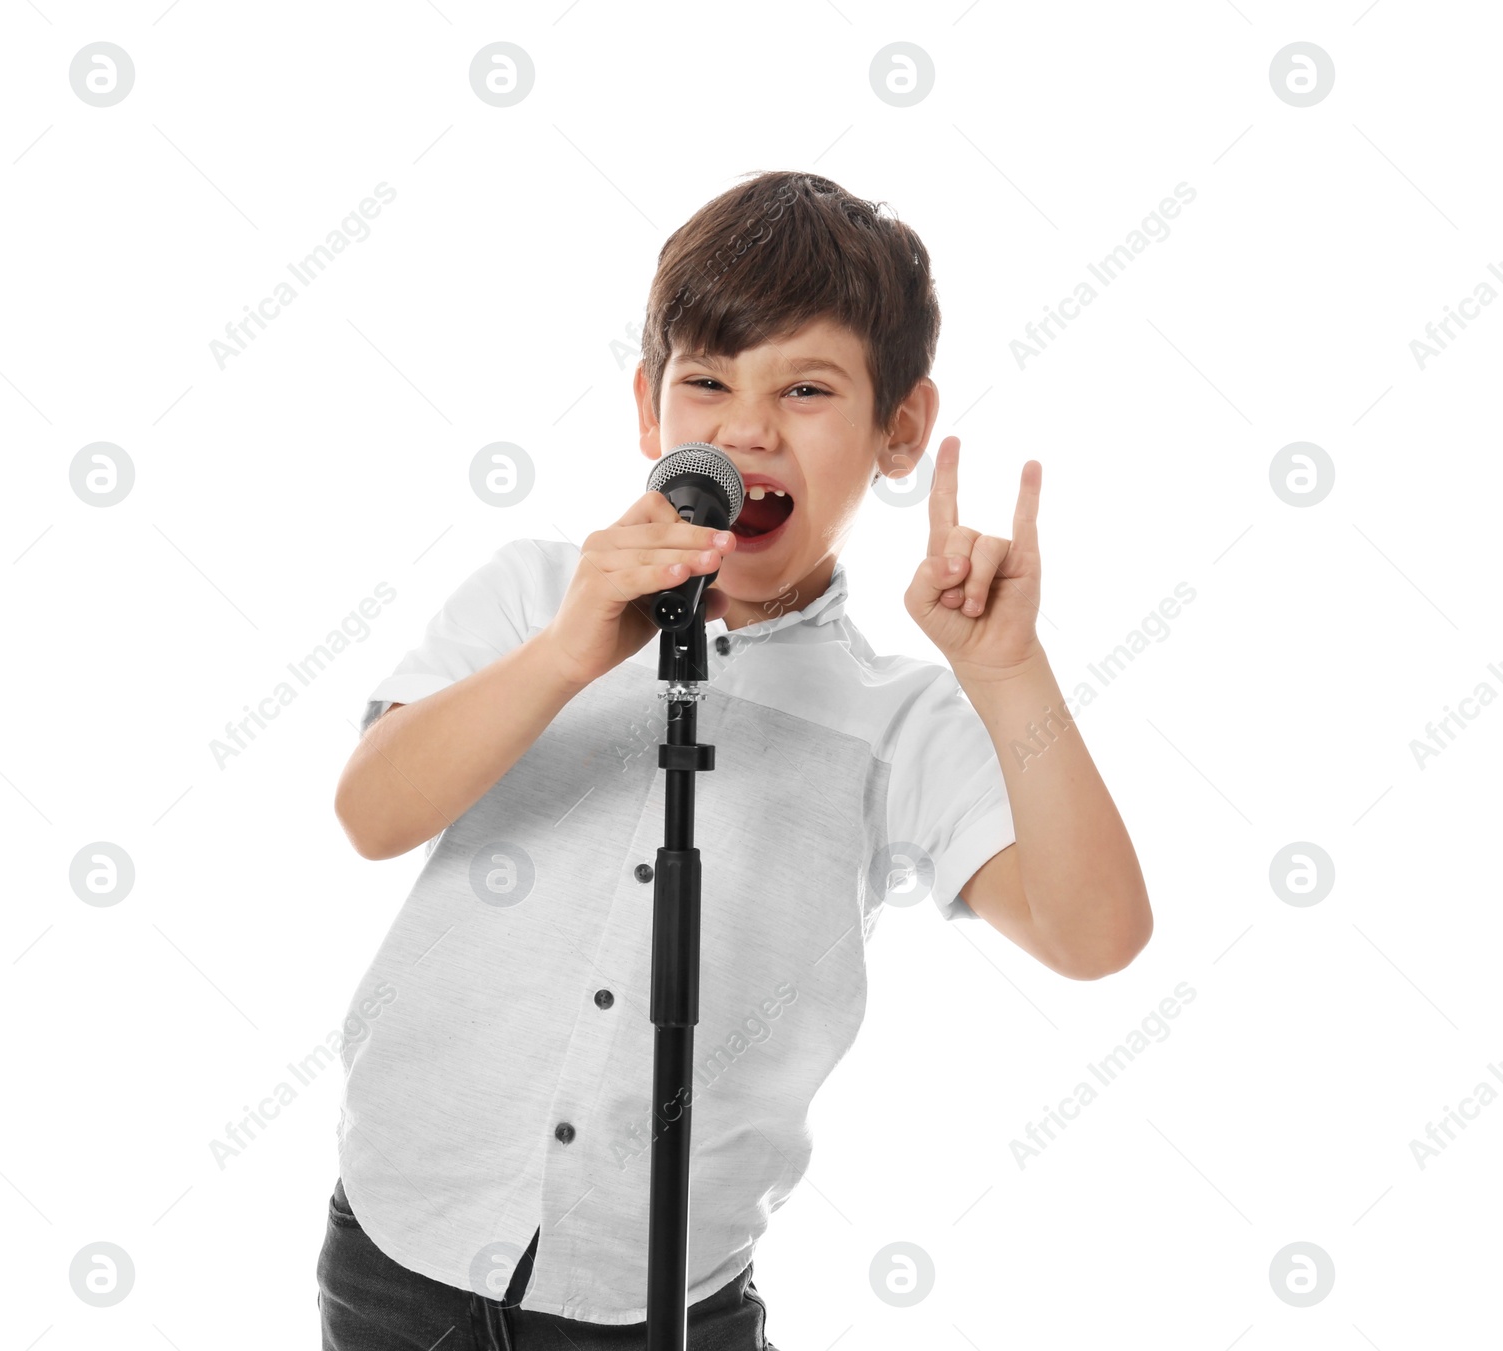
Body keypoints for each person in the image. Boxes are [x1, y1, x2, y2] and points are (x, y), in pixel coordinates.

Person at [318, 169, 1152, 1349]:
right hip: (400, 1244)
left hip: (654, 1300)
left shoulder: (896, 719)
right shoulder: (533, 595)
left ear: (898, 429)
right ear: (650, 413)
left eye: (806, 388)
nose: (748, 427)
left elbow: (1096, 933)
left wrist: (1007, 671)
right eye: (707, 380)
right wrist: (564, 657)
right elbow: (372, 811)